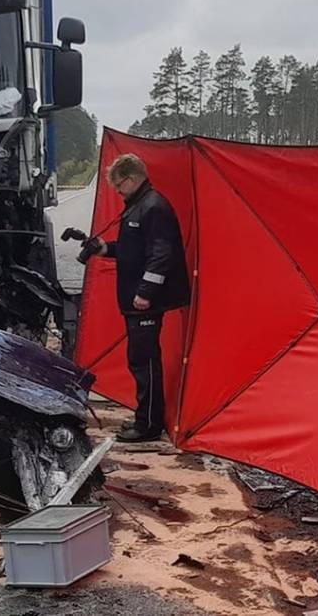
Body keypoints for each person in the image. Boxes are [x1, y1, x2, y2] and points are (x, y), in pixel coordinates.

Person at [84, 154, 190, 442]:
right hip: (134, 298)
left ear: (131, 179)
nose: (118, 192)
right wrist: (105, 248)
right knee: (139, 359)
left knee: (144, 360)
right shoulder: (138, 207)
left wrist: (145, 293)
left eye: (119, 186)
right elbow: (134, 249)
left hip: (144, 301)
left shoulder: (153, 207)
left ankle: (149, 425)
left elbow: (161, 255)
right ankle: (145, 417)